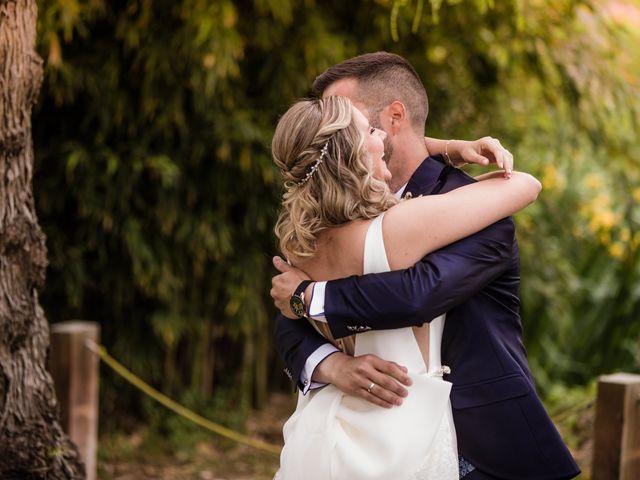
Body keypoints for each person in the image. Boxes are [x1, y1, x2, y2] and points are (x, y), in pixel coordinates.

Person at [271, 52, 580, 479]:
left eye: (356, 118)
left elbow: (418, 293)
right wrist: (330, 364)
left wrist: (308, 296)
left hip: (483, 446)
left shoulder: (471, 209)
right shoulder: (331, 217)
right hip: (375, 431)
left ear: (392, 119)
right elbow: (288, 318)